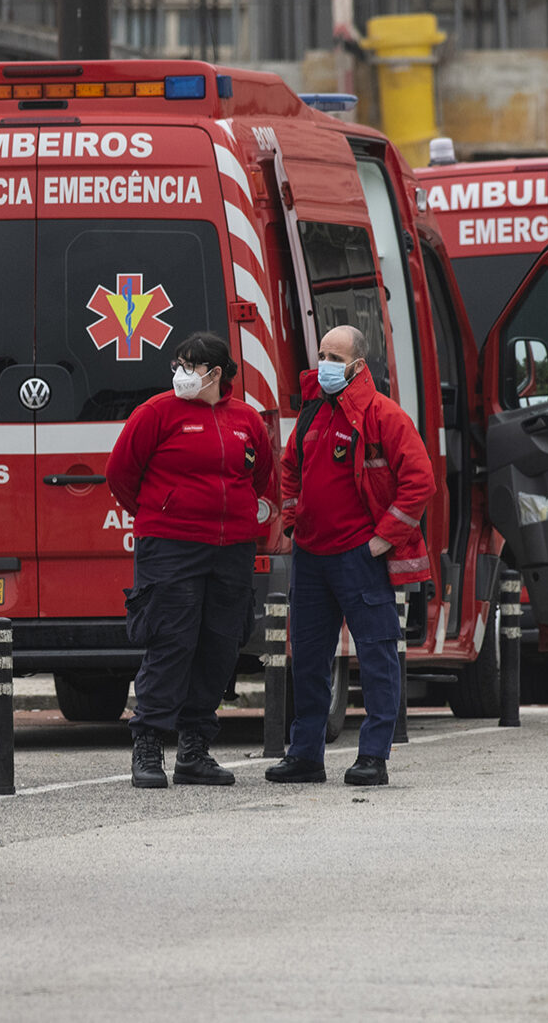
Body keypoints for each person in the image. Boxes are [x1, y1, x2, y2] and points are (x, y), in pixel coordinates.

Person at [105, 332, 277, 789]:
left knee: (220, 644)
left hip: (232, 550)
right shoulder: (156, 413)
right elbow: (120, 473)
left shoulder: (247, 420)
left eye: (190, 366)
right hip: (171, 547)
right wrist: (157, 514)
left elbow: (261, 477)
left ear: (215, 374)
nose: (181, 375)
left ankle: (195, 749)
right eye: (177, 365)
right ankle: (148, 745)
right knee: (171, 641)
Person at [266, 325, 434, 788]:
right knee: (309, 659)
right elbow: (289, 469)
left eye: (334, 357)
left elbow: (420, 480)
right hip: (313, 557)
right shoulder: (311, 414)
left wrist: (384, 538)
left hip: (359, 558)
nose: (324, 364)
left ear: (357, 365)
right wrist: (293, 519)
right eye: (321, 354)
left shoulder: (383, 415)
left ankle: (373, 757)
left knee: (377, 655)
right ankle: (306, 756)